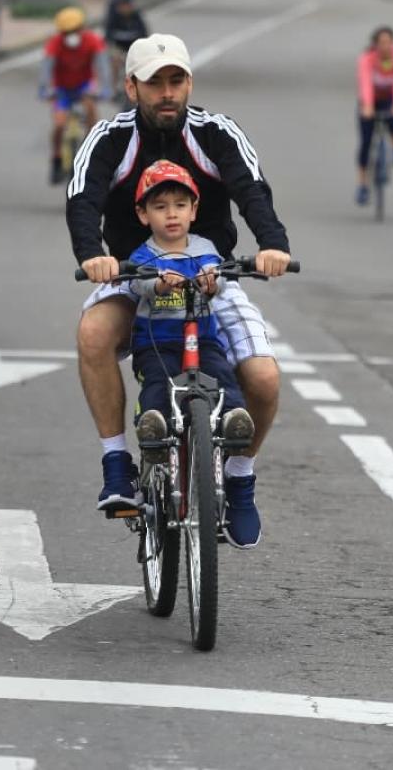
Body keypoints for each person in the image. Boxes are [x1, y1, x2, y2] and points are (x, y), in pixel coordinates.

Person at [67, 33, 292, 545]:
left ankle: (238, 481)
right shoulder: (109, 138)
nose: (167, 93)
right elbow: (82, 198)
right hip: (135, 277)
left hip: (211, 278)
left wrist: (272, 246)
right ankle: (117, 464)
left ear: (189, 82)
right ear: (131, 87)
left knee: (263, 381)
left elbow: (252, 190)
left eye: (177, 80)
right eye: (155, 83)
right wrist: (93, 257)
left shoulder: (216, 133)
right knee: (93, 335)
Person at [126, 160, 260, 547]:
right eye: (161, 206)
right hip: (158, 342)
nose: (172, 214)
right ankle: (151, 429)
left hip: (203, 339)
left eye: (180, 205)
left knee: (223, 375)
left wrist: (212, 280)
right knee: (157, 385)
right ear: (143, 214)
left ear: (194, 210)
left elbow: (215, 274)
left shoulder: (205, 249)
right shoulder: (143, 254)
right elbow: (137, 285)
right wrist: (155, 282)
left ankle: (233, 420)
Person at [40, 6, 108, 184]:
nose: (71, 34)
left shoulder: (93, 41)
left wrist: (105, 88)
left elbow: (103, 66)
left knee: (91, 112)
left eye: (75, 30)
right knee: (59, 124)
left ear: (82, 27)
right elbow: (46, 68)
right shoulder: (54, 43)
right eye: (66, 32)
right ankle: (56, 158)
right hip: (61, 89)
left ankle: (89, 148)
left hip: (84, 87)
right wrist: (44, 89)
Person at [354, 26, 393, 206]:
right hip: (370, 100)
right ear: (375, 44)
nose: (385, 47)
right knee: (365, 141)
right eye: (381, 43)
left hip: (390, 98)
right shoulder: (367, 59)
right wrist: (368, 107)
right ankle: (363, 184)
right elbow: (365, 84)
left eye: (389, 43)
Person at [103, 0, 148, 102]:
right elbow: (108, 36)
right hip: (119, 48)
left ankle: (142, 87)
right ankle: (114, 90)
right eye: (122, 6)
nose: (125, 8)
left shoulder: (137, 17)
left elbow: (145, 35)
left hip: (134, 48)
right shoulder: (113, 18)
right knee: (115, 61)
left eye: (127, 5)